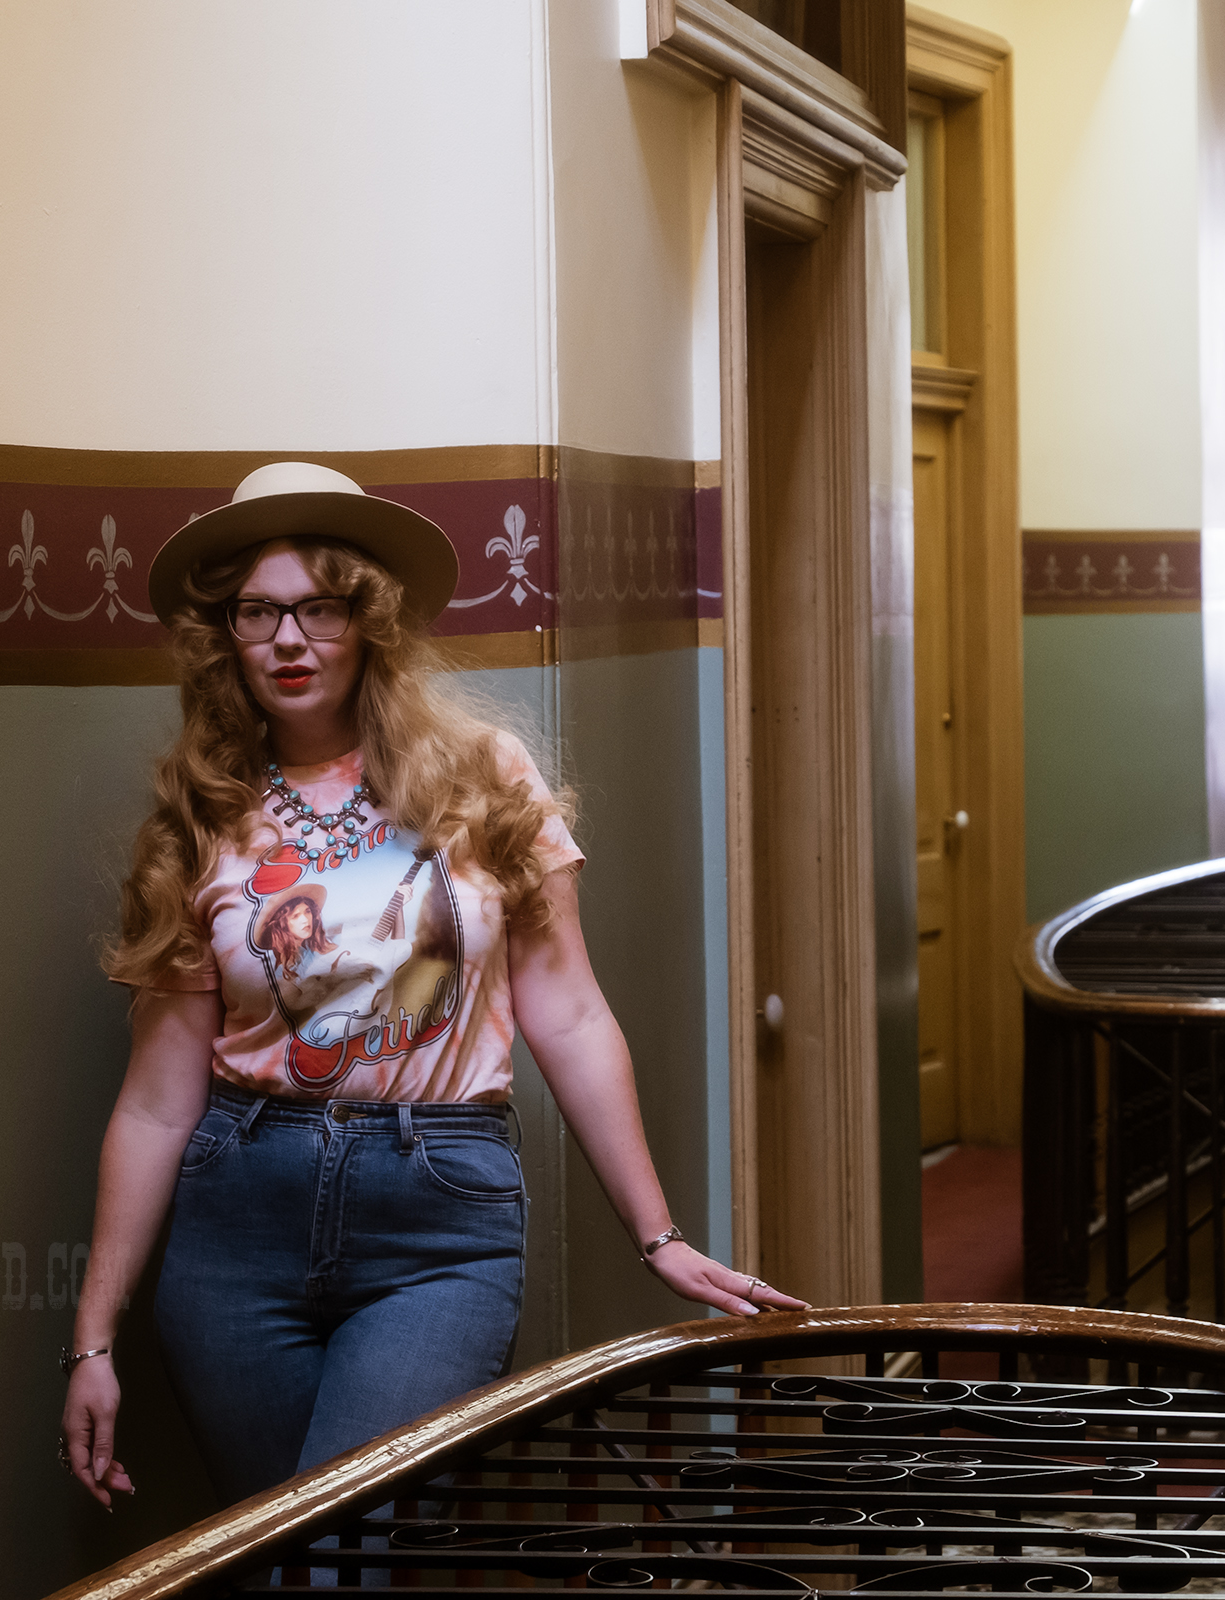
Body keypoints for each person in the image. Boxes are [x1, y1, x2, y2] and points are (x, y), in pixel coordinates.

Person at [59, 461, 804, 1511]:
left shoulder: (483, 776)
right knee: (269, 1547)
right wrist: (91, 1339)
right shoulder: (204, 811)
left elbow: (571, 1010)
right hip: (238, 1219)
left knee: (340, 1546)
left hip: (437, 1214)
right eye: (258, 611)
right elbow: (153, 1098)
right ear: (226, 634)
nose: (288, 638)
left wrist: (659, 1233)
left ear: (367, 621)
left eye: (319, 607)